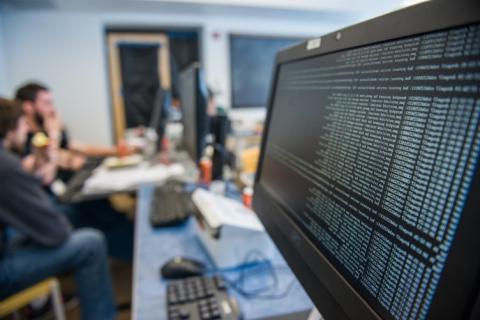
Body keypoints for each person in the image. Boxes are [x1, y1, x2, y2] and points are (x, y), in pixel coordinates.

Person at [0, 97, 116, 319]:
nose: (25, 128)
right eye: (21, 123)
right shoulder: (6, 165)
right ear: (10, 128)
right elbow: (57, 233)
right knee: (90, 243)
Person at [15, 82, 125, 158]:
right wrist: (54, 133)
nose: (52, 109)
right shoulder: (20, 138)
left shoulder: (45, 128)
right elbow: (46, 169)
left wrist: (116, 151)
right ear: (28, 106)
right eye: (47, 103)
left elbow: (79, 147)